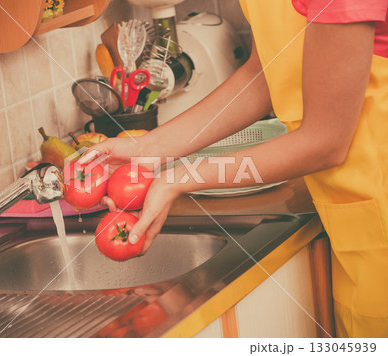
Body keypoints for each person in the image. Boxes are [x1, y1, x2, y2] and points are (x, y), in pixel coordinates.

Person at [82, 0, 388, 337]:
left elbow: (324, 142)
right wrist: (148, 148)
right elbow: (263, 74)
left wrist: (180, 178)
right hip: (357, 218)